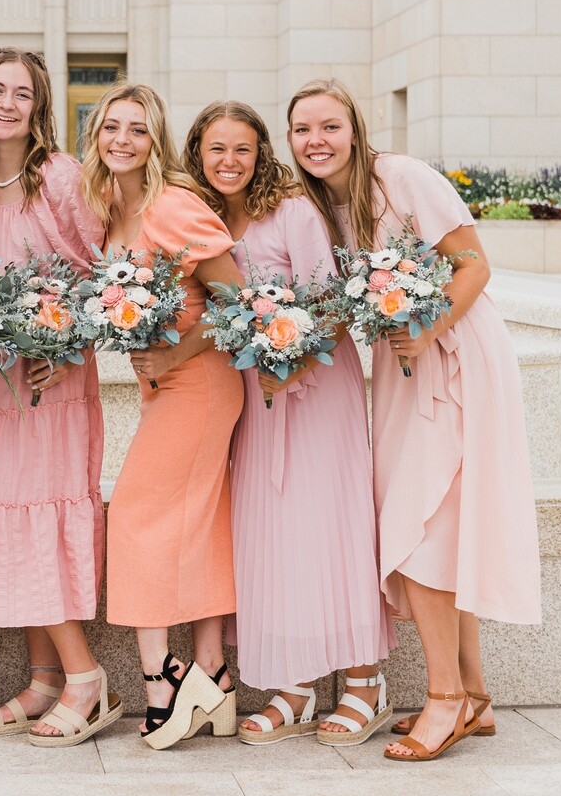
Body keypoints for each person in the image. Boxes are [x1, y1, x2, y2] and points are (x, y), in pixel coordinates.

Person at [285, 77, 541, 763]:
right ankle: (477, 696)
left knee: (419, 526)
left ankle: (445, 698)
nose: (317, 141)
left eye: (329, 127)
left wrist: (427, 329)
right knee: (434, 520)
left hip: (451, 353)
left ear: (356, 129)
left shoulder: (402, 178)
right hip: (399, 368)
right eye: (303, 130)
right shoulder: (324, 204)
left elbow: (473, 264)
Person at [182, 101, 395, 747]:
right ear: (197, 153)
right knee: (273, 536)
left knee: (331, 527)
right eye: (215, 149)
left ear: (261, 153)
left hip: (316, 391)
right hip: (256, 398)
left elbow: (330, 302)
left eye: (241, 149)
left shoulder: (293, 210)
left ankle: (365, 684)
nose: (228, 161)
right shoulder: (208, 220)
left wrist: (293, 357)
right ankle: (295, 689)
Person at [0, 48, 118, 748]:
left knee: (36, 516)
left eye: (22, 92)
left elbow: (103, 273)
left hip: (50, 386)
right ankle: (44, 678)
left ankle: (86, 677)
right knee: (9, 516)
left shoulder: (60, 177)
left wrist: (65, 344)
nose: (7, 103)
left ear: (39, 104)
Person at [82, 82, 246, 751]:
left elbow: (241, 300)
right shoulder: (104, 209)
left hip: (202, 384)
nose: (121, 140)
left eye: (137, 130)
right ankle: (217, 678)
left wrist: (175, 352)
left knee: (136, 516)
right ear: (95, 137)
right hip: (165, 389)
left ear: (155, 141)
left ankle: (163, 680)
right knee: (198, 523)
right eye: (110, 128)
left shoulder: (173, 207)